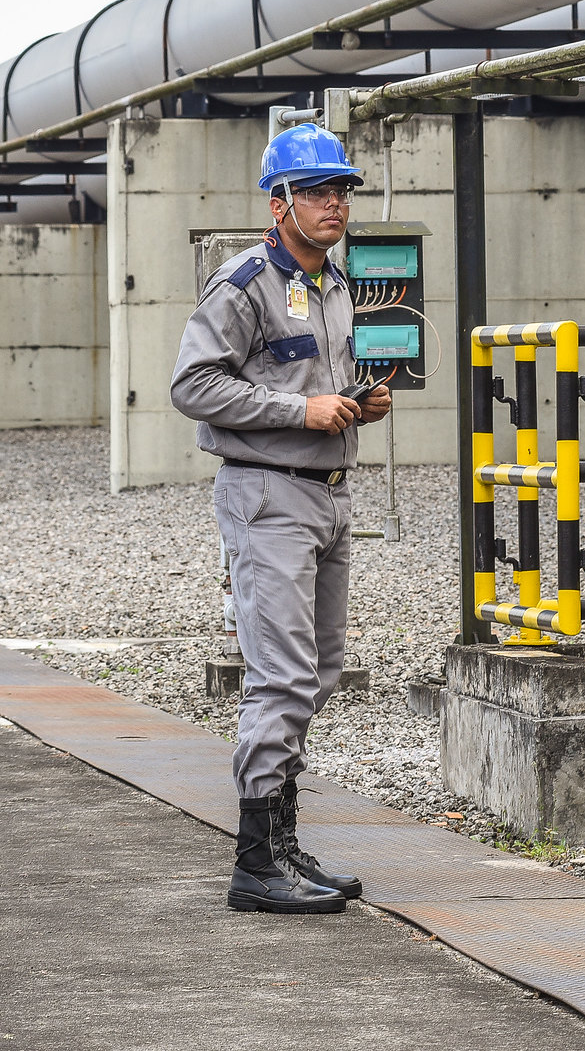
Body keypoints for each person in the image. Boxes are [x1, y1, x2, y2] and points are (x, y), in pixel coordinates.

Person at [170, 122, 392, 915]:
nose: (334, 203)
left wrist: (356, 405)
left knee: (321, 669)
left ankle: (283, 842)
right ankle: (257, 862)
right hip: (269, 495)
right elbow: (194, 385)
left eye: (341, 190)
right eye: (317, 191)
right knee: (281, 676)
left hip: (328, 493)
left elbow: (315, 384)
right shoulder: (244, 283)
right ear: (280, 203)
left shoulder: (332, 283)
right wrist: (302, 408)